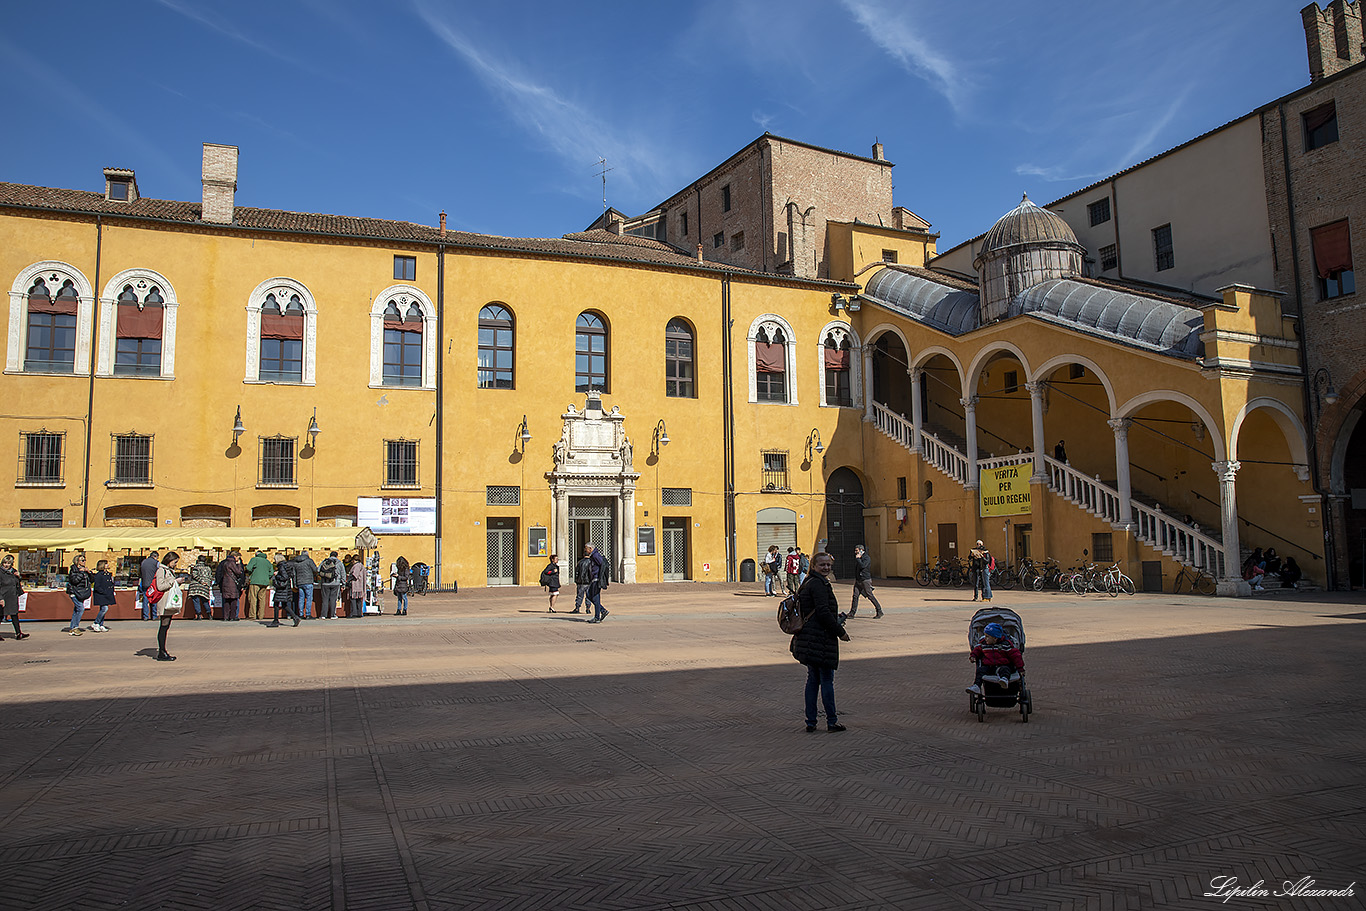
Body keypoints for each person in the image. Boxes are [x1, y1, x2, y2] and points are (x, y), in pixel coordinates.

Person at [791, 552, 849, 732]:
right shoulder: (819, 584)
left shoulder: (808, 582)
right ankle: (831, 721)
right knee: (826, 680)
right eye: (822, 565)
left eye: (828, 565)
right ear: (814, 566)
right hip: (820, 638)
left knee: (812, 680)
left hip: (809, 637)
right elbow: (823, 613)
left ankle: (811, 722)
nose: (826, 568)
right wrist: (840, 631)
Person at [966, 622, 1024, 694]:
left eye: (987, 636)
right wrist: (973, 656)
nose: (985, 638)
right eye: (985, 636)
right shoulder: (983, 644)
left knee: (1005, 669)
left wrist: (1020, 668)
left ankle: (1004, 679)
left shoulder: (1005, 645)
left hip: (1003, 665)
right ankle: (977, 686)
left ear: (995, 638)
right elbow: (977, 650)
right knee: (980, 670)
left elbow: (1016, 656)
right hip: (990, 667)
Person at [152, 552, 184, 661]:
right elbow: (160, 586)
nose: (175, 564)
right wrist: (174, 581)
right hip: (164, 602)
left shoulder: (168, 570)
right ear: (169, 560)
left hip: (168, 601)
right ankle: (162, 651)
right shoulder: (161, 570)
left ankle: (163, 651)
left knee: (166, 626)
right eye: (175, 562)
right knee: (164, 626)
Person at [847, 544, 883, 619]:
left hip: (865, 580)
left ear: (861, 550)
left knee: (870, 595)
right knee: (855, 596)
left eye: (856, 550)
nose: (855, 552)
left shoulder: (866, 558)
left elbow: (863, 566)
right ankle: (852, 613)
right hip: (859, 580)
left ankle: (879, 611)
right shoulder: (859, 558)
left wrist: (858, 559)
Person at [0, 554, 31, 641]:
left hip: (12, 596)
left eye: (8, 563)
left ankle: (18, 633)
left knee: (14, 615)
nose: (6, 565)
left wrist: (18, 576)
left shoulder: (13, 571)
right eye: (5, 563)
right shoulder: (1, 572)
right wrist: (0, 598)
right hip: (3, 596)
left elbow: (16, 583)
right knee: (1, 615)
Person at [580, 542, 610, 623]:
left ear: (590, 548)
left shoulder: (595, 555)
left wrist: (599, 577)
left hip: (596, 579)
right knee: (589, 595)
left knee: (595, 597)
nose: (585, 550)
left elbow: (601, 564)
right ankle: (602, 610)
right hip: (594, 578)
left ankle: (597, 616)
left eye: (586, 548)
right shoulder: (593, 556)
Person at [63, 553, 92, 635]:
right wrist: (81, 573)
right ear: (77, 561)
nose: (84, 562)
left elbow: (92, 580)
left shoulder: (85, 570)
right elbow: (74, 580)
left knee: (76, 610)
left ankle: (72, 628)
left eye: (85, 560)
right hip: (74, 592)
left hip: (81, 592)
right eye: (82, 560)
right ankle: (75, 627)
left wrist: (89, 572)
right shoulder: (74, 569)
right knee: (80, 608)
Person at [269, 558, 302, 627]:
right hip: (286, 588)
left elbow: (284, 577)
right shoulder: (287, 565)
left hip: (281, 588)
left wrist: (277, 575)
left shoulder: (281, 566)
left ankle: (276, 620)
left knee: (276, 603)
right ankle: (295, 617)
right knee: (284, 604)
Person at [244, 549, 274, 621]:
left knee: (253, 598)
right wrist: (267, 577)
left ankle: (252, 616)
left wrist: (252, 572)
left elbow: (248, 568)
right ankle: (261, 615)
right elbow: (271, 573)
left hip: (255, 581)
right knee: (262, 599)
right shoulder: (268, 562)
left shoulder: (254, 559)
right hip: (265, 582)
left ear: (256, 554)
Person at [217, 550, 245, 621]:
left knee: (226, 601)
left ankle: (226, 616)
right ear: (235, 557)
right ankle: (232, 616)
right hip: (232, 584)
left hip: (225, 583)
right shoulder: (232, 563)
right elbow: (238, 572)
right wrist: (239, 565)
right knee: (233, 601)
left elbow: (219, 573)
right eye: (238, 557)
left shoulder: (224, 562)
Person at [318, 550, 345, 620]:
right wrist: (343, 583)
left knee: (325, 599)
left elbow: (318, 570)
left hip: (325, 583)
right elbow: (343, 573)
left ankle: (323, 615)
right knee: (333, 599)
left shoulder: (324, 561)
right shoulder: (339, 563)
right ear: (336, 556)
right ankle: (332, 615)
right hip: (335, 583)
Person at [292, 550, 319, 619]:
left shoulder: (296, 562)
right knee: (309, 598)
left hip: (300, 582)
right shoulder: (309, 561)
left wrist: (295, 583)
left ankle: (301, 614)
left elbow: (294, 574)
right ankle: (308, 614)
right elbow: (315, 570)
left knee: (301, 598)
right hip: (308, 581)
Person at [91, 559, 116, 632]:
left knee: (103, 609)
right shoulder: (99, 575)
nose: (107, 565)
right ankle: (96, 623)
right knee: (104, 609)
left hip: (107, 594)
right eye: (106, 564)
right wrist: (104, 592)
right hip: (101, 595)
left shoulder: (108, 574)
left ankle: (101, 624)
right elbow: (97, 586)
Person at [188, 554, 214, 620]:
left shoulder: (196, 567)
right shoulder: (208, 568)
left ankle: (198, 614)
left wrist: (201, 581)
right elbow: (210, 577)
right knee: (205, 600)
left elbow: (194, 575)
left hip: (195, 586)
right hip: (205, 586)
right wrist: (207, 583)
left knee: (196, 600)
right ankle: (209, 614)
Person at [139, 549, 160, 621]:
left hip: (144, 583)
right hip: (153, 584)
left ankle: (145, 616)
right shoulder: (156, 563)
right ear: (155, 556)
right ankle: (154, 616)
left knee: (145, 600)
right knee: (154, 600)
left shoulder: (143, 562)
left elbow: (140, 573)